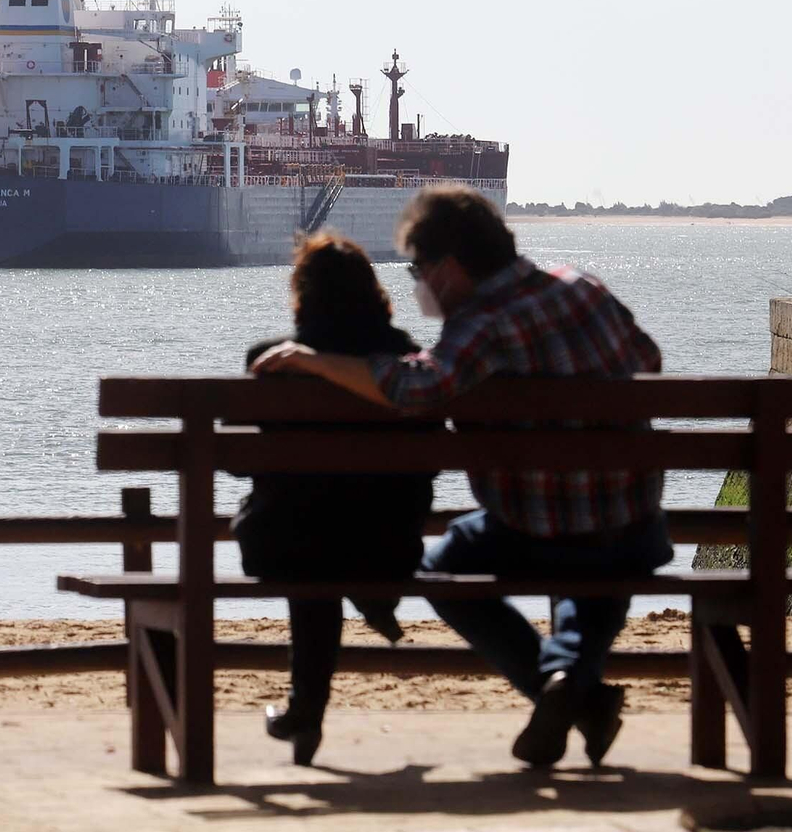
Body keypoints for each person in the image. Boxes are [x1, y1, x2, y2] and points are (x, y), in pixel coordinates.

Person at [252, 185, 671, 769]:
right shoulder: (585, 288)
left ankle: (569, 693)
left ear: (448, 269)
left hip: (532, 531)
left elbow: (414, 388)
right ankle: (573, 682)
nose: (418, 282)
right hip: (633, 524)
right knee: (595, 559)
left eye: (418, 269)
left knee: (443, 567)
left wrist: (313, 361)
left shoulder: (480, 326)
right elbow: (648, 360)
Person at [235, 232, 435, 767]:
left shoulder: (270, 361)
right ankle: (373, 599)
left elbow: (236, 461)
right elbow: (430, 460)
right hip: (388, 549)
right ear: (373, 291)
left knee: (309, 541)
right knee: (333, 536)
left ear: (303, 293)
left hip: (283, 548)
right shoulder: (406, 363)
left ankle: (306, 711)